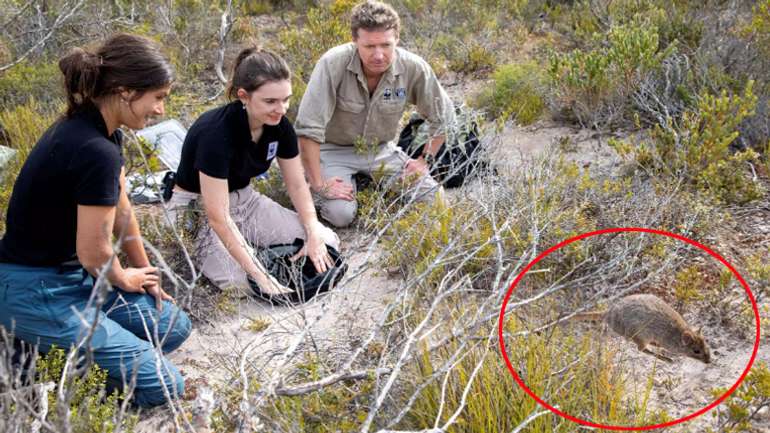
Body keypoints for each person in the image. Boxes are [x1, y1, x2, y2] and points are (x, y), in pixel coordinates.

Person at [0, 34, 191, 407]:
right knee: (164, 386)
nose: (160, 110)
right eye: (158, 97)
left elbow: (122, 210)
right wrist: (123, 277)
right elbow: (94, 252)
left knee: (173, 326)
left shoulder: (104, 133)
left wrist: (145, 272)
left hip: (75, 280)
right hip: (35, 288)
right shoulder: (93, 150)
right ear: (125, 92)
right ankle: (30, 363)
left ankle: (58, 344)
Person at [169, 47, 339, 296]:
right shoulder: (216, 134)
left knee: (328, 242)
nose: (281, 109)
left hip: (246, 201)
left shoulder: (279, 126)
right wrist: (261, 275)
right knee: (241, 282)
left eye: (286, 99)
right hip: (199, 209)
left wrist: (313, 231)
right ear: (244, 96)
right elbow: (218, 217)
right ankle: (253, 258)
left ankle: (257, 252)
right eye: (270, 101)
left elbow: (296, 184)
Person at [294, 0, 456, 228]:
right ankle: (323, 187)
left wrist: (423, 161)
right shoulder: (333, 63)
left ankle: (367, 184)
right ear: (355, 41)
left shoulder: (413, 67)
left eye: (386, 45)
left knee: (435, 201)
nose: (379, 55)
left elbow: (444, 117)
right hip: (333, 149)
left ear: (397, 39)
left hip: (381, 149)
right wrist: (319, 184)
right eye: (370, 47)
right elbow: (308, 130)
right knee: (340, 215)